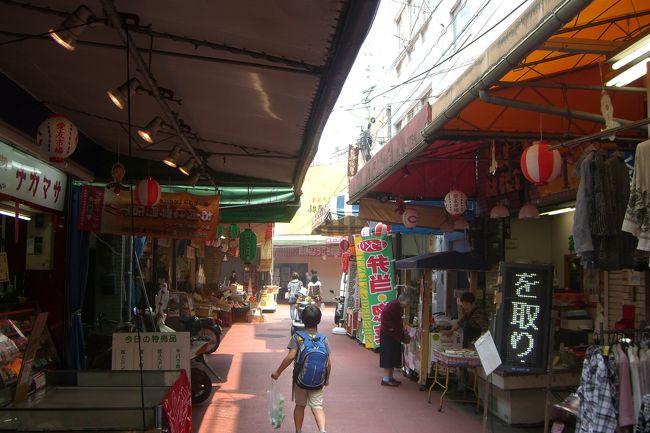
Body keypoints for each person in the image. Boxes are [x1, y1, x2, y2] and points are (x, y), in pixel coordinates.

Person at [272, 305, 331, 433]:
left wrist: (278, 372)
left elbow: (290, 357)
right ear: (319, 320)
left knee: (300, 405)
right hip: (318, 381)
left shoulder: (297, 337)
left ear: (302, 320)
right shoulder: (323, 339)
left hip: (300, 379)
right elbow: (328, 363)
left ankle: (298, 431)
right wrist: (326, 379)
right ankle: (322, 430)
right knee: (317, 406)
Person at [379, 291, 412, 387]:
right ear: (402, 300)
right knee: (389, 357)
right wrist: (393, 329)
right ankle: (385, 379)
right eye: (407, 304)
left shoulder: (397, 306)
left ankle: (390, 377)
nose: (406, 306)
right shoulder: (393, 305)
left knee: (393, 357)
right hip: (388, 335)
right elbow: (385, 318)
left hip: (393, 334)